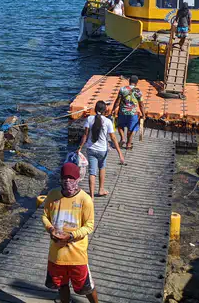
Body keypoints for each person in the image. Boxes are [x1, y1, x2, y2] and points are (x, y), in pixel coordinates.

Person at [42, 162, 98, 303]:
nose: (68, 181)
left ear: (78, 179)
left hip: (77, 255)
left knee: (87, 288)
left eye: (71, 178)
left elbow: (89, 226)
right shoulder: (53, 195)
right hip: (57, 253)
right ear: (60, 179)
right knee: (61, 285)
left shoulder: (85, 200)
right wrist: (50, 229)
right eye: (65, 178)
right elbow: (45, 216)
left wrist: (72, 235)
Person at [77, 101, 125, 199]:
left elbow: (85, 135)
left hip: (91, 149)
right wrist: (120, 153)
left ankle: (91, 197)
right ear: (105, 111)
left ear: (95, 109)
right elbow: (113, 138)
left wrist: (80, 148)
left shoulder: (89, 119)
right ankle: (101, 189)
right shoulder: (108, 122)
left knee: (92, 172)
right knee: (102, 168)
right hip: (102, 150)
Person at [113, 75, 144, 150]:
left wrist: (113, 109)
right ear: (136, 83)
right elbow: (141, 104)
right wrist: (143, 114)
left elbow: (117, 101)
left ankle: (122, 139)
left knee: (120, 126)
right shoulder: (138, 91)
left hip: (122, 112)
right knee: (131, 129)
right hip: (133, 113)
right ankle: (128, 144)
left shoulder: (122, 89)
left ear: (129, 80)